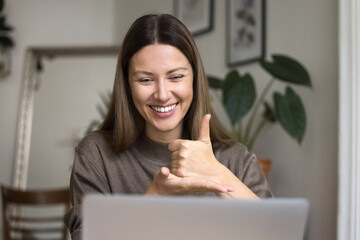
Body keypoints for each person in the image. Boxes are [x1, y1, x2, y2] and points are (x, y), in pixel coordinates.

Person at [64, 13, 273, 240]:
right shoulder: (96, 155)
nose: (162, 95)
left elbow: (279, 234)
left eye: (175, 77)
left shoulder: (236, 159)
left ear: (194, 78)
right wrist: (156, 196)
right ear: (127, 85)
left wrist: (217, 174)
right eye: (145, 79)